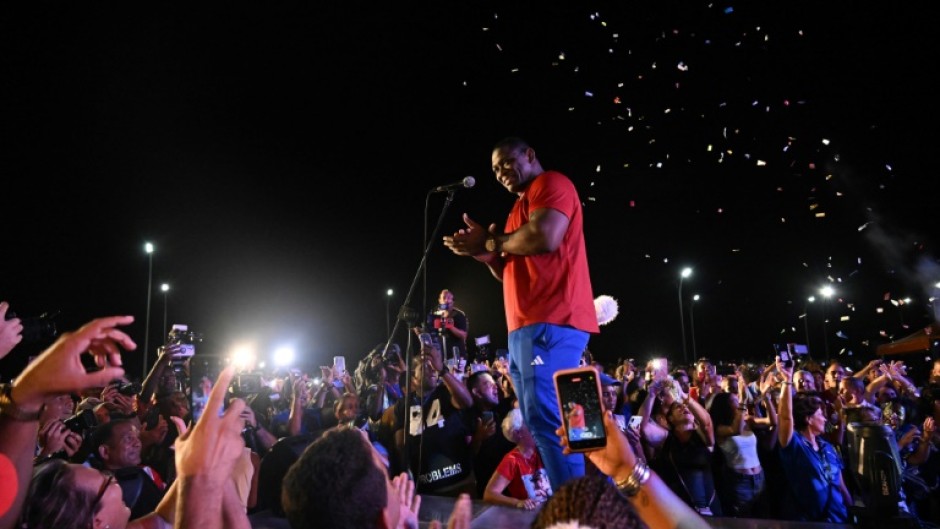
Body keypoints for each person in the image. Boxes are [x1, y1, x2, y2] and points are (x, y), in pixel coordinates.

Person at [443, 136, 599, 490]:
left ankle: (572, 511)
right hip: (538, 325)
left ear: (530, 155)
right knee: (572, 421)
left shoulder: (551, 184)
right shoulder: (517, 209)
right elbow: (510, 269)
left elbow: (545, 237)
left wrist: (492, 242)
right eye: (495, 170)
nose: (500, 173)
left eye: (506, 162)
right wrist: (487, 255)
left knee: (545, 420)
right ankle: (584, 502)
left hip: (547, 322)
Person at [776, 356, 853, 523]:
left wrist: (851, 509)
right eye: (820, 415)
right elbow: (785, 418)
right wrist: (787, 381)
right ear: (808, 419)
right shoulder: (794, 445)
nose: (825, 419)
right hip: (809, 521)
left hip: (839, 519)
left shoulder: (827, 447)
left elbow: (841, 485)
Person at [482, 408, 550, 510]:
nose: (535, 427)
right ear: (518, 433)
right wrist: (517, 503)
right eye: (529, 424)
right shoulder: (512, 459)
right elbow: (489, 494)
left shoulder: (542, 450)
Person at [426, 289, 469, 361]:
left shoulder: (458, 315)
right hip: (439, 358)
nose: (446, 300)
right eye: (444, 297)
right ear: (439, 300)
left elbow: (463, 335)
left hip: (455, 358)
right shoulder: (435, 315)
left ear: (453, 301)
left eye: (449, 298)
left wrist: (450, 326)